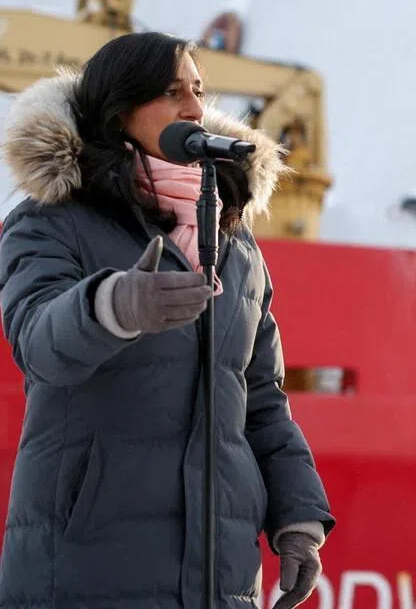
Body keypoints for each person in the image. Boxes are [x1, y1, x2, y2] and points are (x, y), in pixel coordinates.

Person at [0, 33, 334, 608]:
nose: (193, 108)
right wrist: (112, 305)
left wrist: (298, 517)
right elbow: (38, 342)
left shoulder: (236, 243)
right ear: (119, 110)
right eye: (171, 91)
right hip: (84, 573)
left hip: (220, 578)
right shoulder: (52, 221)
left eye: (199, 91)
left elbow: (259, 399)